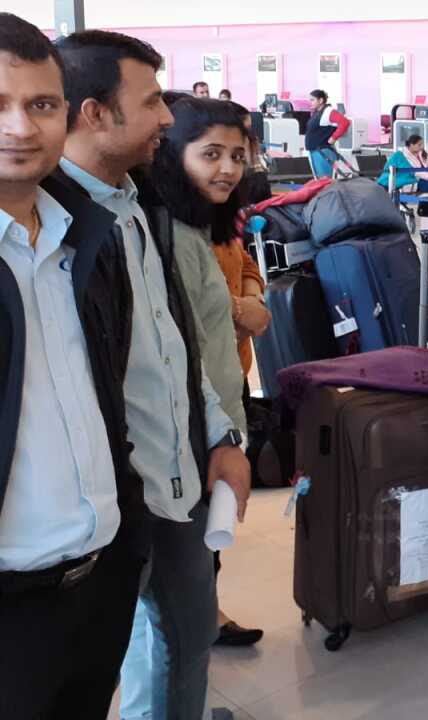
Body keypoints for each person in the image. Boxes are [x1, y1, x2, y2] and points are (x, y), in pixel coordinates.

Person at [56, 29, 252, 720]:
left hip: (178, 479)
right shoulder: (54, 226)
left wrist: (222, 434)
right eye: (149, 104)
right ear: (95, 114)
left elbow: (173, 347)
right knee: (104, 662)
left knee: (185, 636)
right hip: (105, 503)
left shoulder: (136, 208)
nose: (167, 119)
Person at [0, 14, 146, 717]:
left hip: (98, 586)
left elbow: (107, 392)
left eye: (40, 104)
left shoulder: (87, 236)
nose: (22, 128)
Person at [151, 96, 270, 653]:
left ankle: (208, 623)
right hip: (194, 421)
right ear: (175, 154)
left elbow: (245, 262)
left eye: (238, 155)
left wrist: (249, 299)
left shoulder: (213, 219)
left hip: (227, 396)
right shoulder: (162, 232)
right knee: (176, 589)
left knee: (205, 549)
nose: (228, 167)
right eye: (212, 154)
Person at [303, 89, 350, 179]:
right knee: (320, 181)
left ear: (321, 100)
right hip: (315, 151)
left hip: (323, 152)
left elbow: (345, 122)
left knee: (325, 181)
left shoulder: (328, 111)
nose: (311, 102)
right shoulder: (317, 112)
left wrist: (334, 137)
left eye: (313, 100)